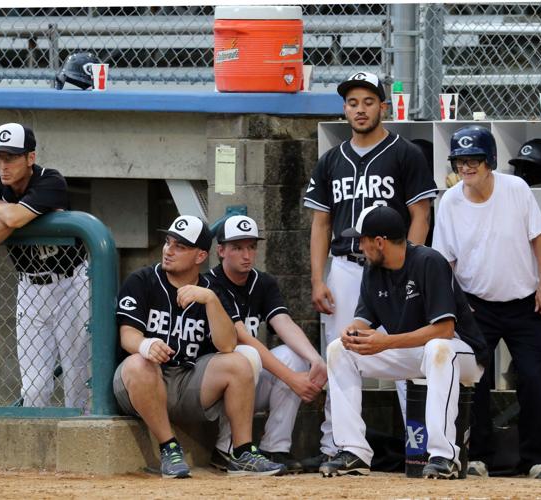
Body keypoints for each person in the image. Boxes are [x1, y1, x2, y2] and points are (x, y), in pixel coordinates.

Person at [303, 71, 438, 469]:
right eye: (352, 103)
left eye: (367, 102)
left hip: (394, 267)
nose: (359, 110)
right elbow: (321, 223)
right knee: (340, 353)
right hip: (345, 268)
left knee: (406, 355)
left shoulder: (406, 153)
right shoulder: (331, 160)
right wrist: (317, 278)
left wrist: (410, 263)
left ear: (384, 106)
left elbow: (421, 214)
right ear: (344, 109)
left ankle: (423, 445)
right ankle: (340, 446)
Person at [319, 205, 488, 479]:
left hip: (462, 354)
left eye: (361, 240)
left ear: (379, 242)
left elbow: (444, 329)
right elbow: (364, 320)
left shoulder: (428, 261)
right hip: (412, 352)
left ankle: (444, 456)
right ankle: (354, 451)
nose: (358, 246)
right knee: (339, 349)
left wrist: (385, 342)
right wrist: (353, 332)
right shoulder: (373, 269)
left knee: (438, 349)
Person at [113, 215, 285, 478]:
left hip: (187, 382)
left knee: (239, 362)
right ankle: (169, 448)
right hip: (143, 382)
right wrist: (146, 345)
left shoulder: (213, 289)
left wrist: (211, 301)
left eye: (180, 247)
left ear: (200, 256)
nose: (168, 251)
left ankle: (241, 453)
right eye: (168, 242)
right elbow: (128, 335)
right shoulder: (142, 280)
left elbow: (228, 345)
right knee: (139, 363)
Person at [431, 125, 541, 480]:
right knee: (476, 381)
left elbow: (539, 238)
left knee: (532, 377)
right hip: (476, 305)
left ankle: (537, 459)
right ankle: (478, 456)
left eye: (474, 160)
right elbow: (445, 262)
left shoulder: (515, 189)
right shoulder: (450, 202)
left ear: (490, 162)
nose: (467, 168)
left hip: (524, 302)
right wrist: (456, 305)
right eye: (460, 161)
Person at [0, 123, 89, 409]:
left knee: (78, 381)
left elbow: (16, 219)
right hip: (30, 288)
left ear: (30, 158)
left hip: (72, 284)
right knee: (34, 389)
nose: (2, 166)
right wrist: (12, 215)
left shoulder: (51, 180)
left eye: (10, 157)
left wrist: (2, 209)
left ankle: (80, 451)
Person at [208, 215, 327, 473]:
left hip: (245, 380)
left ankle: (275, 448)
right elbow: (242, 336)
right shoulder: (211, 283)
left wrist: (315, 359)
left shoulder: (262, 282)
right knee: (244, 354)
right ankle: (225, 448)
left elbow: (282, 321)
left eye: (251, 246)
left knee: (293, 356)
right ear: (221, 251)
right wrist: (293, 379)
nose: (246, 255)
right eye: (237, 248)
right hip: (210, 385)